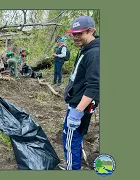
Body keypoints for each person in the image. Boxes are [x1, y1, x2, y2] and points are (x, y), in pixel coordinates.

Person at [60, 15, 99, 170]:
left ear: (91, 31)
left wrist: (77, 112)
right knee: (73, 139)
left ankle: (72, 169)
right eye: (73, 34)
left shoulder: (94, 54)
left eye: (80, 33)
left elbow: (95, 86)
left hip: (80, 107)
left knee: (70, 141)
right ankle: (72, 166)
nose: (75, 37)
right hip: (77, 103)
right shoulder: (86, 49)